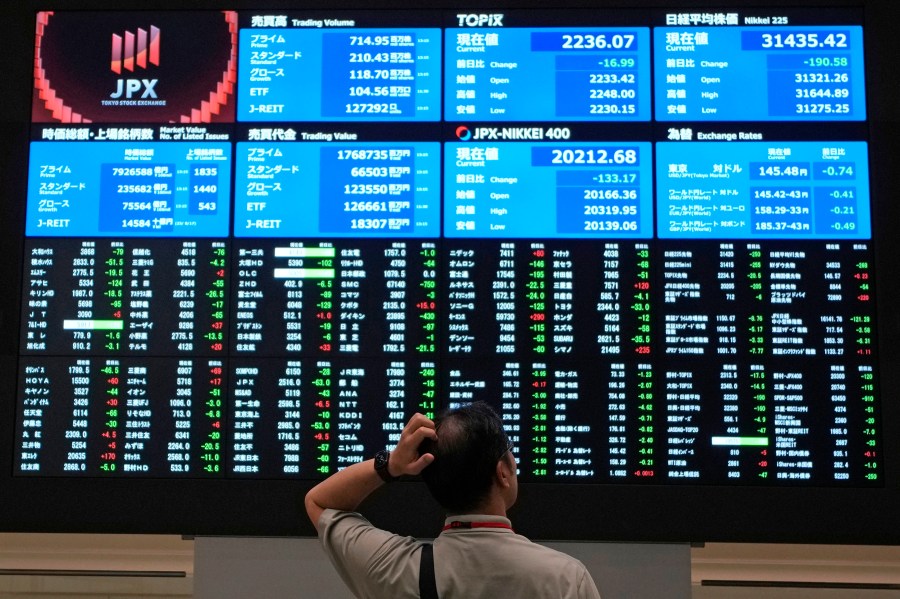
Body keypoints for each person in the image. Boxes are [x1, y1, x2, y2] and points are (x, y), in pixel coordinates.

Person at [305, 401, 602, 598]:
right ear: (502, 473)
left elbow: (319, 502)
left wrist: (391, 464)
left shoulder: (396, 568)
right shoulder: (565, 579)